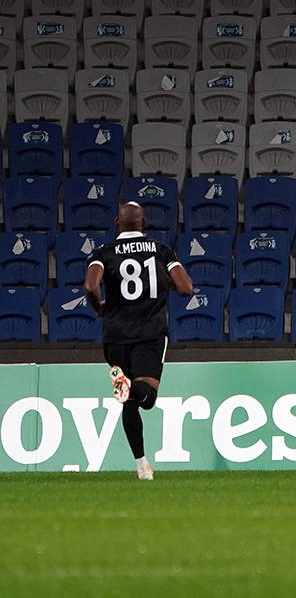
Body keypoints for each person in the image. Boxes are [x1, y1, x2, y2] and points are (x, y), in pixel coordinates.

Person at [83, 202, 194, 481]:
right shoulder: (161, 250)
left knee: (128, 403)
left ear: (116, 222)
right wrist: (162, 283)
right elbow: (185, 288)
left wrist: (99, 309)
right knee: (146, 398)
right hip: (149, 333)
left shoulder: (103, 252)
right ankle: (131, 388)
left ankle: (142, 465)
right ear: (144, 223)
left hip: (114, 335)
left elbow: (90, 286)